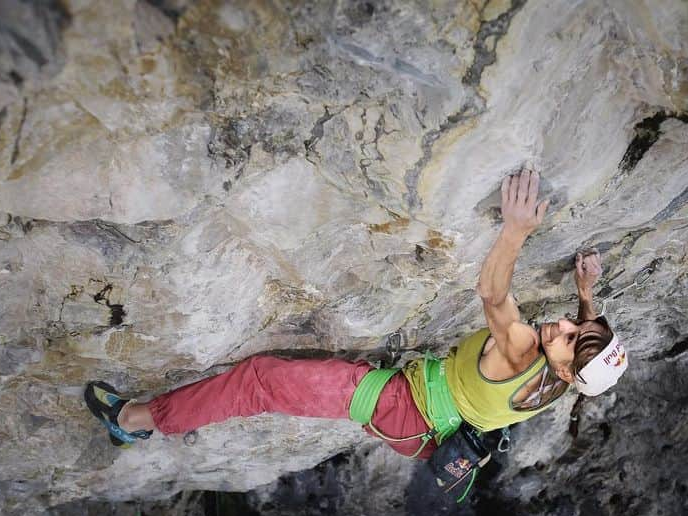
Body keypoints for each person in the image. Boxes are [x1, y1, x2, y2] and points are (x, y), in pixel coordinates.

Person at [84, 169, 629, 458]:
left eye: (568, 336)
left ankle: (135, 422)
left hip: (401, 407)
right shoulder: (570, 376)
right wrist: (585, 292)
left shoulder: (524, 350)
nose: (563, 325)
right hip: (435, 426)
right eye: (579, 324)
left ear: (560, 369)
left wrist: (515, 230)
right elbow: (586, 346)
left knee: (261, 382)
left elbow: (491, 294)